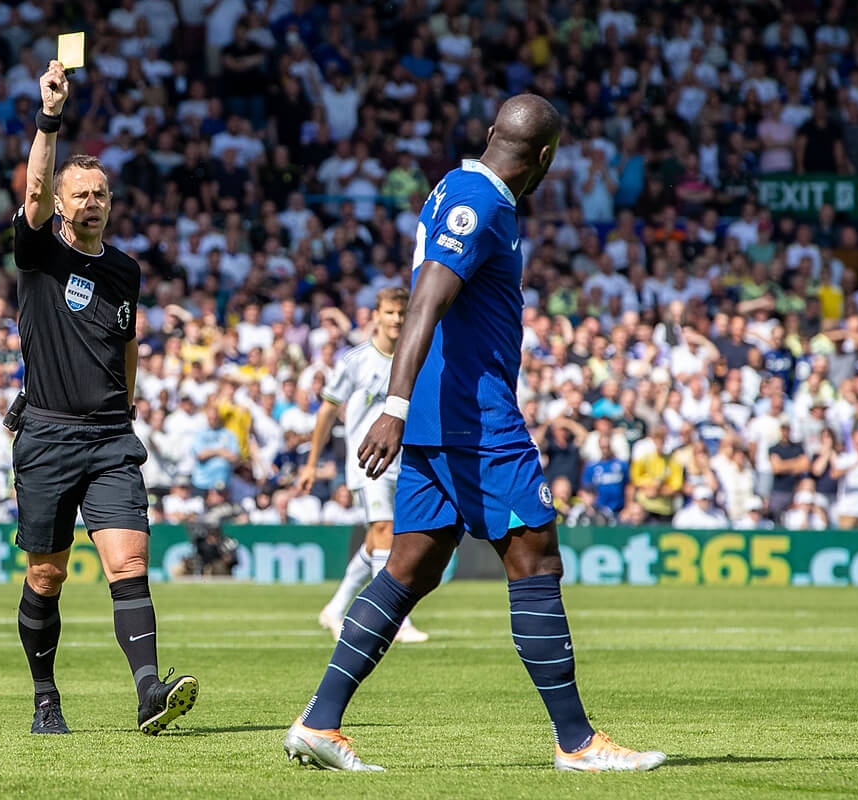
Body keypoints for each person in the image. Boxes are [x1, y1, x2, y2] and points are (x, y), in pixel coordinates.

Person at [283, 95, 664, 772]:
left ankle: (320, 722)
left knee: (411, 567)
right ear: (544, 158)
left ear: (493, 134)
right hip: (471, 416)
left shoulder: (459, 189)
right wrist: (393, 405)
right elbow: (427, 298)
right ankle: (577, 742)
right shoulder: (479, 201)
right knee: (536, 558)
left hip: (438, 417)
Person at [10, 61, 196, 737]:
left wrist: (133, 403)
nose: (92, 202)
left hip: (111, 437)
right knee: (47, 577)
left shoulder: (125, 270)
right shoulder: (37, 254)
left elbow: (128, 341)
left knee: (130, 563)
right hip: (48, 436)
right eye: (80, 193)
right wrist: (50, 116)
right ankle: (44, 698)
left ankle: (150, 691)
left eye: (101, 194)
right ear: (60, 204)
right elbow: (31, 187)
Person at [296, 287, 429, 644]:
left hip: (405, 461)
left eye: (402, 313)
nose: (396, 320)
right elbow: (326, 410)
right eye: (389, 313)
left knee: (378, 540)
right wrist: (311, 463)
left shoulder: (415, 357)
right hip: (367, 462)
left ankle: (335, 608)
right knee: (387, 532)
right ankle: (396, 620)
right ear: (375, 315)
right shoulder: (355, 360)